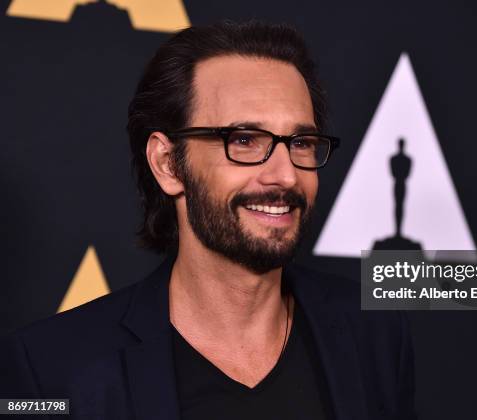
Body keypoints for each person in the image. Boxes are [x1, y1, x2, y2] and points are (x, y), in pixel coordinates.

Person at [0, 21, 416, 420]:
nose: (286, 175)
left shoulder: (374, 333)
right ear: (168, 164)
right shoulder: (51, 371)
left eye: (301, 143)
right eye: (244, 141)